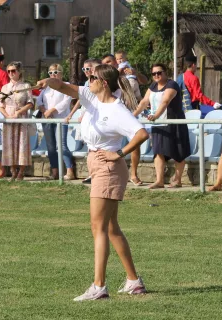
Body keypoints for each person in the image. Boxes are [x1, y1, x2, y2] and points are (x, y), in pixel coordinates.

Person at [37, 64, 149, 301]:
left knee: (98, 227)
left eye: (93, 76)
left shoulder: (116, 110)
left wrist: (117, 154)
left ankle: (99, 286)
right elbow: (63, 86)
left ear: (104, 83)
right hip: (97, 164)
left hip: (108, 168)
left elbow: (141, 134)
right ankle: (133, 281)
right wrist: (47, 82)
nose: (88, 78)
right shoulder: (90, 96)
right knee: (110, 228)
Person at [134, 63, 191, 189]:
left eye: (159, 73)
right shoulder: (153, 85)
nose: (156, 76)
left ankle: (177, 180)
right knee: (158, 151)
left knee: (178, 152)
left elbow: (165, 101)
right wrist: (133, 115)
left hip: (174, 123)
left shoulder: (172, 84)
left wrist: (155, 116)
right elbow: (144, 101)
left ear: (165, 73)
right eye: (154, 73)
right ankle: (159, 181)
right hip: (159, 124)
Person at [103, 54, 144, 186]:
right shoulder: (104, 81)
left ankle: (134, 174)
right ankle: (109, 174)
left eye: (109, 61)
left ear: (116, 61)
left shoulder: (127, 76)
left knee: (135, 145)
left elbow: (145, 81)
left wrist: (135, 73)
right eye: (105, 63)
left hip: (129, 114)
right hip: (112, 116)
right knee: (111, 146)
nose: (107, 64)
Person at [66, 58, 102, 184]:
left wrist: (85, 114)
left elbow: (94, 101)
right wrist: (71, 114)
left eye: (88, 69)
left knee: (95, 146)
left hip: (93, 115)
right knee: (89, 146)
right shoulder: (87, 83)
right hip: (86, 114)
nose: (86, 71)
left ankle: (96, 174)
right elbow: (81, 100)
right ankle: (92, 173)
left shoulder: (97, 82)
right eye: (84, 69)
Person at [37, 64, 74, 180]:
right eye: (51, 73)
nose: (53, 75)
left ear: (61, 73)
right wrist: (44, 110)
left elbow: (66, 102)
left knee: (62, 145)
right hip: (47, 119)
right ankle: (55, 172)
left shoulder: (66, 86)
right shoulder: (46, 88)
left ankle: (70, 170)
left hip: (61, 119)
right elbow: (39, 101)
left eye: (56, 72)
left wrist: (52, 110)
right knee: (51, 147)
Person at [0, 61, 34, 181]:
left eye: (13, 71)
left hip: (21, 118)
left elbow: (30, 103)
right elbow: (0, 104)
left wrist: (19, 112)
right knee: (10, 144)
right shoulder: (5, 87)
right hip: (8, 118)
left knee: (21, 144)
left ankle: (21, 171)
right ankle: (13, 170)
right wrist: (7, 115)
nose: (11, 73)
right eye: (8, 71)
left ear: (19, 72)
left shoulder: (25, 86)